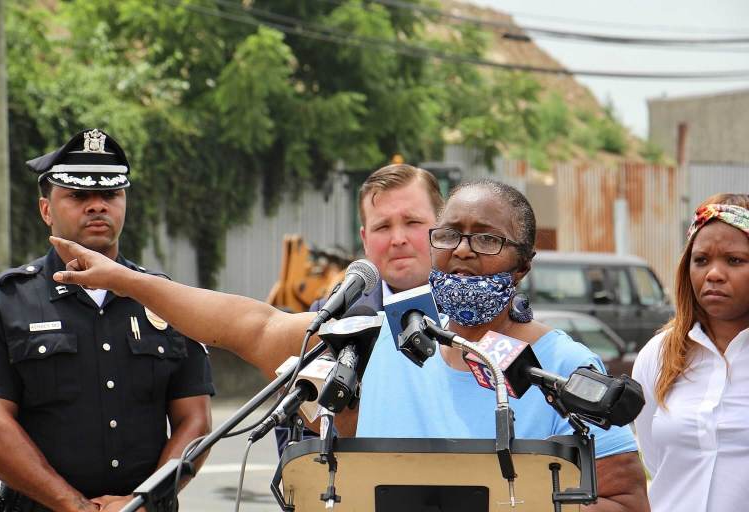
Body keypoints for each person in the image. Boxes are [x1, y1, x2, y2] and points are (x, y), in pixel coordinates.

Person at [49, 179, 649, 511]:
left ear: (522, 264)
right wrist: (123, 279)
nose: (464, 251)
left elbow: (626, 500)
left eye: (487, 240)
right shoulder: (375, 338)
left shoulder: (564, 364)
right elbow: (243, 324)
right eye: (451, 235)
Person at [0, 129, 214, 512]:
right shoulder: (6, 303)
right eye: (78, 196)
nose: (96, 206)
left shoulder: (167, 300)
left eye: (110, 194)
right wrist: (72, 505)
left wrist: (143, 502)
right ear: (46, 210)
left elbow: (195, 420)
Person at [275, 163, 444, 449]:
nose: (398, 239)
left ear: (442, 228)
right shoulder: (329, 318)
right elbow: (298, 435)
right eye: (383, 226)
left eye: (412, 222)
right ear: (365, 240)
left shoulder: (473, 314)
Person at [633, 194, 749, 512]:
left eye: (735, 260)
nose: (713, 274)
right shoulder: (658, 355)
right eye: (701, 260)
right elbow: (656, 461)